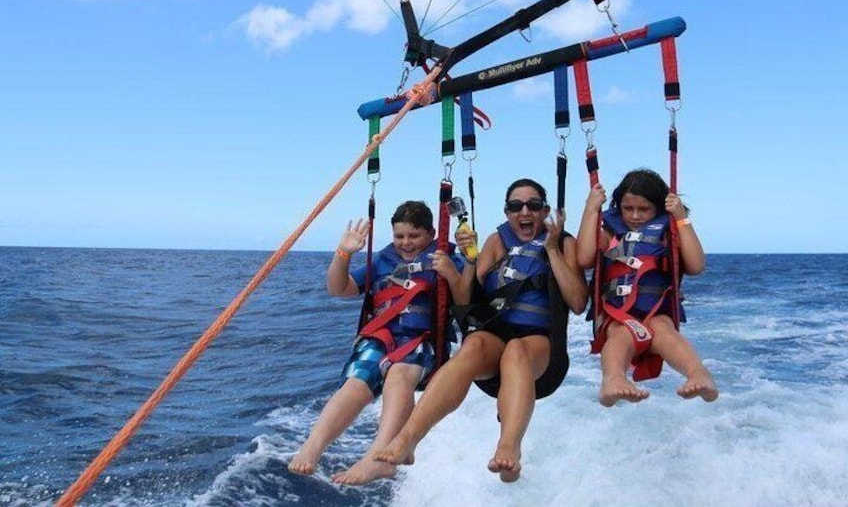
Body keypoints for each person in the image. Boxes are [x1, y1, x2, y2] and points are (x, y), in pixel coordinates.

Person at [375, 179, 588, 483]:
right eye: (516, 206)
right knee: (471, 347)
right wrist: (469, 260)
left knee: (517, 351)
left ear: (545, 211)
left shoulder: (564, 242)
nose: (524, 211)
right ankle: (407, 439)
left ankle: (509, 447)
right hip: (493, 338)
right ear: (507, 211)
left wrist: (552, 249)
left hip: (539, 347)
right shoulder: (495, 242)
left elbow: (579, 302)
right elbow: (465, 299)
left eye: (533, 205)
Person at [287, 200, 474, 485]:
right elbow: (339, 288)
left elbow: (467, 299)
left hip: (421, 341)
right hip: (380, 337)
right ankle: (313, 447)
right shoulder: (383, 260)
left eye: (414, 236)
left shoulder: (446, 257)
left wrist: (450, 270)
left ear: (431, 233)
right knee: (356, 383)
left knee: (398, 375)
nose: (406, 243)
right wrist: (344, 254)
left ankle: (380, 458)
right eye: (400, 236)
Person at [575, 168, 719, 407]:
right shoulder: (609, 231)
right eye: (627, 208)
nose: (634, 216)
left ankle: (699, 373)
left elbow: (696, 266)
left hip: (656, 310)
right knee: (620, 334)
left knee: (663, 330)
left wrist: (681, 217)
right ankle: (613, 379)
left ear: (658, 208)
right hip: (616, 314)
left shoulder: (667, 230)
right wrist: (591, 209)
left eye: (644, 209)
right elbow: (584, 259)